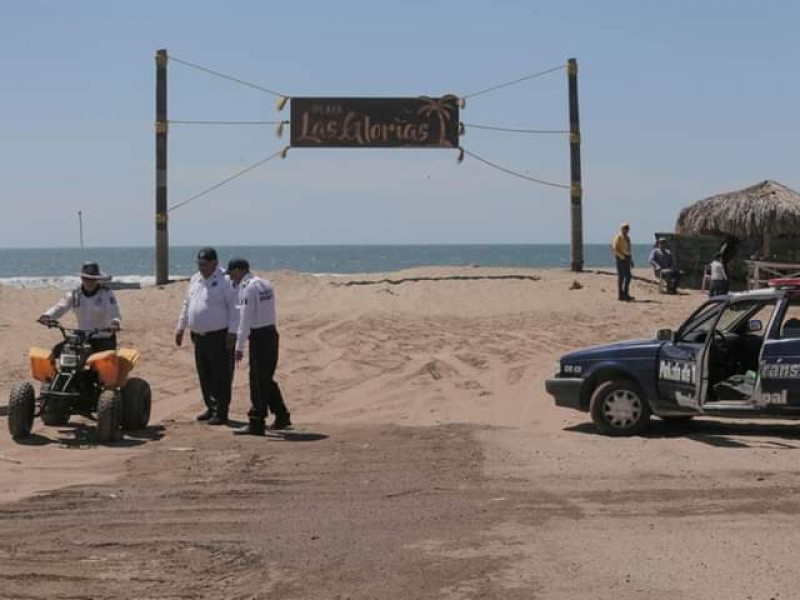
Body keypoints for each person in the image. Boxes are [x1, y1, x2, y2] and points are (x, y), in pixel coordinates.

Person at [226, 257, 292, 436]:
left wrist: (239, 347)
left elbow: (245, 319)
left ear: (239, 270)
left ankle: (256, 421)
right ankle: (282, 415)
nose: (231, 278)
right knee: (266, 378)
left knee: (257, 380)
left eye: (232, 274)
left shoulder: (248, 289)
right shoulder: (265, 283)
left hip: (259, 336)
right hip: (271, 332)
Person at [175, 247, 238, 426]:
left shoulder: (226, 280)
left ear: (215, 263)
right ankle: (211, 407)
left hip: (220, 335)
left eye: (205, 264)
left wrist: (233, 332)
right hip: (199, 336)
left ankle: (221, 411)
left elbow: (235, 308)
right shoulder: (195, 279)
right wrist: (181, 328)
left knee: (221, 374)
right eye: (199, 264)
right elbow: (187, 304)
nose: (202, 267)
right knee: (205, 374)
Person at [37, 261, 121, 354]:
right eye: (86, 278)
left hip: (103, 338)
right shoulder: (75, 294)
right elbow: (60, 307)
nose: (89, 281)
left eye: (92, 279)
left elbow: (114, 311)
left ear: (98, 279)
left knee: (102, 364)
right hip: (82, 338)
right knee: (56, 351)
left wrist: (115, 323)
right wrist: (47, 316)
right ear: (81, 277)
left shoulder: (107, 294)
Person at [611, 222, 634, 301]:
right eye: (625, 228)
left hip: (627, 257)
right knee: (621, 277)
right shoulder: (618, 237)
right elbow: (614, 248)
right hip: (620, 258)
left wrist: (631, 260)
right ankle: (621, 295)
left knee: (628, 277)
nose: (627, 230)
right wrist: (622, 257)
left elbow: (629, 249)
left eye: (627, 228)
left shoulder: (627, 237)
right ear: (622, 228)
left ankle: (626, 293)